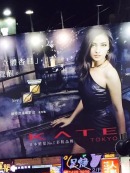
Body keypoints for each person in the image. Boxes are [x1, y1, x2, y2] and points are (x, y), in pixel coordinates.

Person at [51, 25, 126, 154]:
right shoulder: (88, 66)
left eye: (103, 45)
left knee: (98, 169)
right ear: (88, 46)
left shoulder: (109, 73)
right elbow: (87, 98)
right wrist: (71, 118)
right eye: (93, 45)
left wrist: (123, 141)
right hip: (86, 124)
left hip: (103, 127)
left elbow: (118, 109)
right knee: (74, 168)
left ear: (108, 48)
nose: (97, 50)